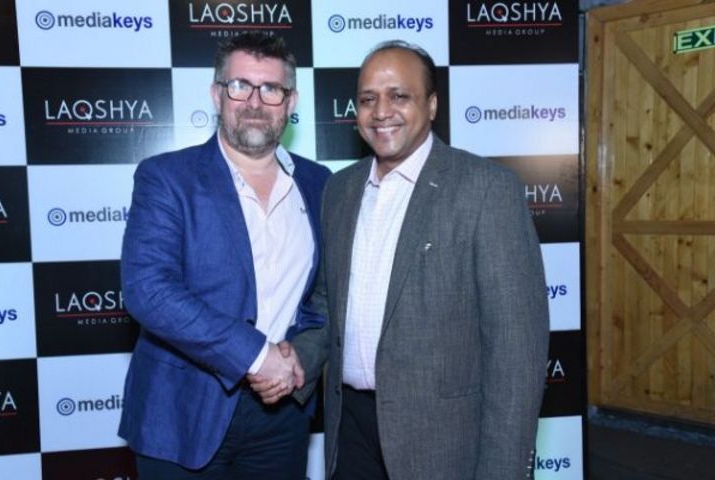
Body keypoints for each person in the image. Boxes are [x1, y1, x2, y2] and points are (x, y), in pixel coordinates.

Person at [253, 40, 550, 479]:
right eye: (368, 99)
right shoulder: (340, 190)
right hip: (350, 429)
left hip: (441, 441)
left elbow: (516, 351)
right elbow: (329, 306)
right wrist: (296, 359)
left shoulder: (486, 189)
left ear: (431, 105)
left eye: (399, 96)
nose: (381, 111)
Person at [118, 32, 330, 479]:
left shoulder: (320, 184)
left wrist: (298, 360)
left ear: (291, 101)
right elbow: (149, 291)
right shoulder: (166, 177)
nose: (254, 102)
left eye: (271, 89)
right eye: (240, 86)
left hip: (283, 413)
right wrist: (256, 355)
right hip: (182, 414)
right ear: (217, 94)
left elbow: (325, 295)